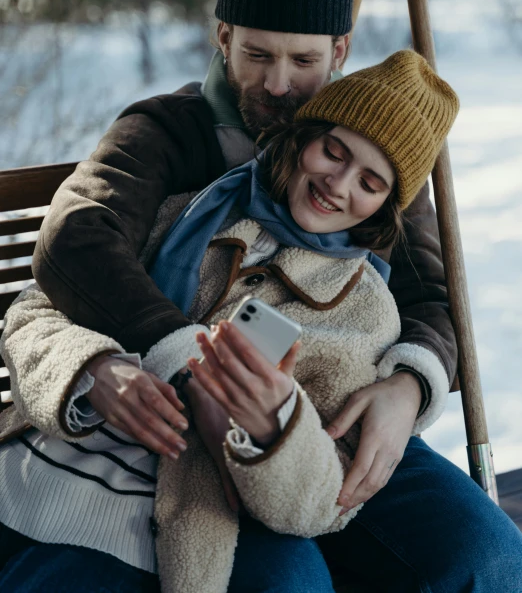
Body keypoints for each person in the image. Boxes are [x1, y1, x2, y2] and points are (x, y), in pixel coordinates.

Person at [2, 50, 522, 593]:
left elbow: (323, 492)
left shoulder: (362, 313)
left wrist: (276, 432)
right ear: (304, 139)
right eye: (334, 152)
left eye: (370, 183)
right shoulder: (187, 209)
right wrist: (94, 368)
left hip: (185, 503)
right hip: (54, 468)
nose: (339, 184)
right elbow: (38, 309)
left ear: (389, 206)